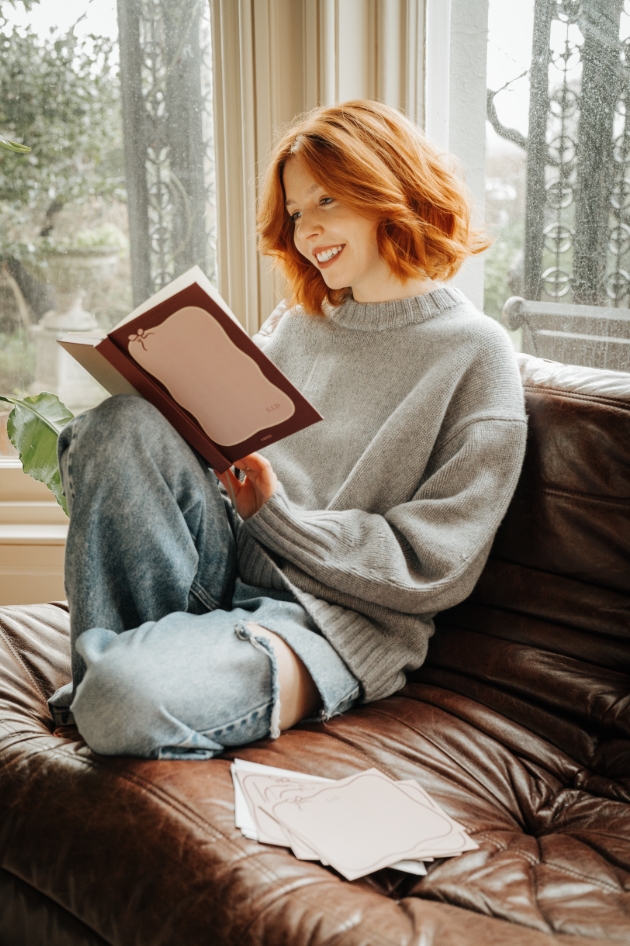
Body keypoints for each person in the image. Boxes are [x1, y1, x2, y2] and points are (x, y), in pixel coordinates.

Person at [48, 100, 527, 759]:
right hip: (222, 564)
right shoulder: (301, 323)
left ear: (390, 187)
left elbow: (435, 566)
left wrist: (276, 516)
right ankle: (133, 668)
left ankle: (111, 681)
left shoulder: (477, 353)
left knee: (115, 700)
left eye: (326, 201)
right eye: (297, 213)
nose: (307, 232)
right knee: (120, 423)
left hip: (326, 620)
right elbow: (221, 454)